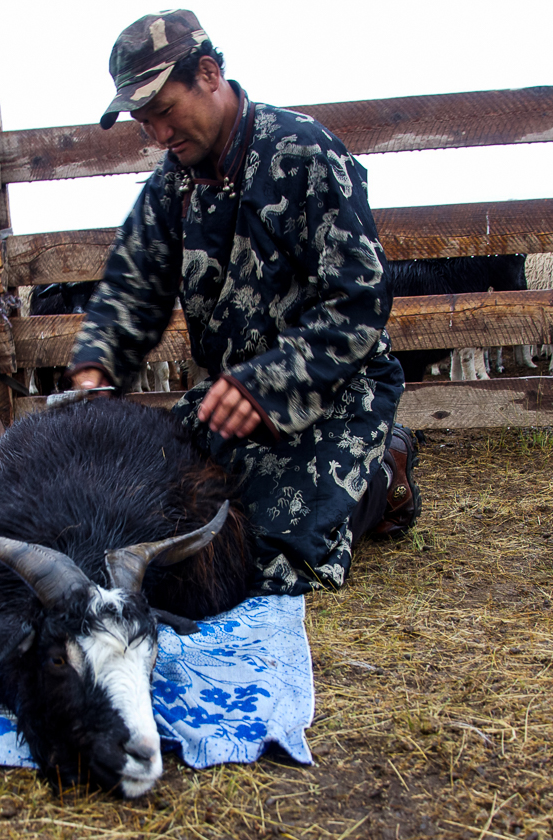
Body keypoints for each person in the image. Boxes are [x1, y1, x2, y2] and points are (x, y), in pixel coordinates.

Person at [66, 9, 420, 597]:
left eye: (163, 112)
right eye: (143, 122)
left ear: (207, 74)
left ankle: (385, 471)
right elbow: (131, 287)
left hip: (333, 392)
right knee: (146, 504)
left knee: (262, 558)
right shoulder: (170, 185)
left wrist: (267, 384)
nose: (157, 135)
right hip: (230, 399)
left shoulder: (307, 152)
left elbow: (358, 303)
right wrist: (95, 366)